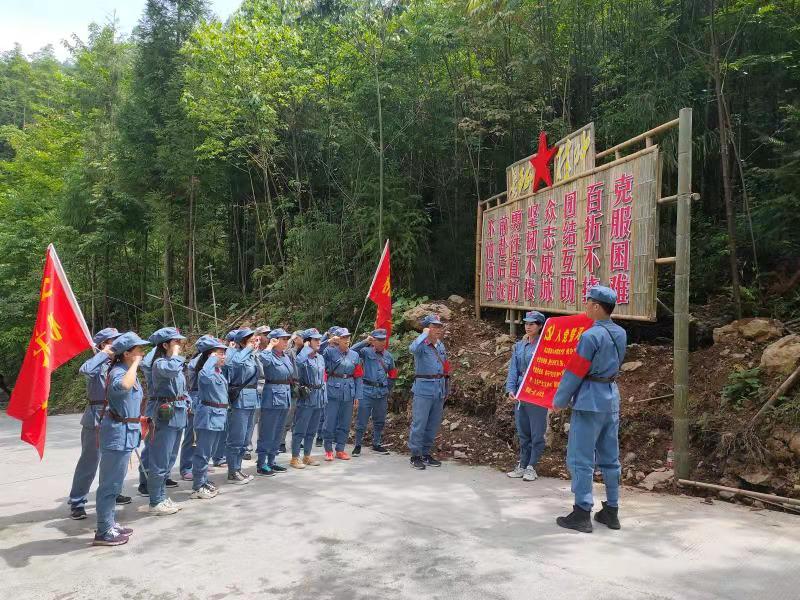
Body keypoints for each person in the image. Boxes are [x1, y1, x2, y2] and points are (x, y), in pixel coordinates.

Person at [553, 285, 627, 533]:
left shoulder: (590, 336)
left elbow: (575, 371)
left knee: (581, 458)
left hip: (589, 400)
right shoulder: (620, 333)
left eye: (588, 302)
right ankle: (611, 511)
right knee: (610, 458)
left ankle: (582, 512)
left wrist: (560, 399)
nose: (585, 306)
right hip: (611, 399)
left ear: (596, 306)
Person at [93, 331, 149, 546]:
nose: (141, 353)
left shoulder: (126, 370)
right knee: (109, 485)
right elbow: (123, 387)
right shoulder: (119, 371)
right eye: (138, 350)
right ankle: (103, 531)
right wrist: (135, 364)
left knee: (115, 484)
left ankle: (109, 523)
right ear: (127, 353)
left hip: (126, 433)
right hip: (117, 434)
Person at [67, 327, 127, 520]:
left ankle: (113, 493)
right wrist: (104, 354)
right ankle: (77, 501)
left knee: (115, 460)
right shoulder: (96, 364)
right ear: (103, 344)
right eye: (113, 341)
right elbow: (84, 370)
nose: (118, 344)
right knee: (89, 462)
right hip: (96, 417)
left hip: (117, 415)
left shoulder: (120, 363)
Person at [147, 327, 189, 515]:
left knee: (170, 458)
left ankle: (162, 496)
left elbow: (183, 387)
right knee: (160, 459)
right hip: (165, 415)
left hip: (178, 413)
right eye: (175, 342)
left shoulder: (175, 364)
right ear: (165, 345)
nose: (179, 344)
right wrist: (176, 355)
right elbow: (171, 371)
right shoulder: (160, 364)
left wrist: (187, 400)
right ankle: (155, 500)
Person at [506, 311, 548, 482]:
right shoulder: (519, 346)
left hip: (537, 392)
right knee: (523, 431)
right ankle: (523, 464)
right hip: (521, 392)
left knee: (537, 432)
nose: (528, 327)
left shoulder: (544, 346)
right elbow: (513, 369)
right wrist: (510, 389)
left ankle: (532, 466)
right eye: (526, 323)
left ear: (540, 326)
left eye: (532, 324)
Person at [408, 315, 450, 470]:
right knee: (419, 423)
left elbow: (445, 369)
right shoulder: (421, 345)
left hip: (438, 389)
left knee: (433, 424)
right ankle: (415, 455)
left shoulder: (440, 346)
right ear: (427, 328)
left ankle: (426, 453)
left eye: (439, 327)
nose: (438, 329)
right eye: (434, 326)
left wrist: (446, 389)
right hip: (423, 389)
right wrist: (424, 335)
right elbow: (412, 349)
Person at [191, 335, 230, 499]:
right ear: (210, 356)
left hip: (218, 415)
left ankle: (203, 480)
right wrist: (211, 359)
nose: (224, 356)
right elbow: (205, 378)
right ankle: (198, 486)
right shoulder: (205, 372)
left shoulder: (217, 372)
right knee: (203, 453)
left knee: (210, 452)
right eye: (220, 353)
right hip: (208, 416)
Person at [351, 329, 397, 456]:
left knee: (380, 419)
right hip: (366, 390)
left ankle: (377, 443)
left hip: (381, 392)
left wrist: (387, 388)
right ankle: (357, 445)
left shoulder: (388, 356)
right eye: (379, 340)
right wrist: (365, 341)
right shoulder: (366, 352)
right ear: (373, 341)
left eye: (384, 340)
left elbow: (393, 373)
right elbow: (352, 351)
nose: (382, 342)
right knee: (362, 420)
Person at [256, 328, 294, 475]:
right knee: (268, 431)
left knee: (278, 431)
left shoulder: (285, 356)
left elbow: (290, 373)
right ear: (275, 340)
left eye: (287, 339)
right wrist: (270, 346)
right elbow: (262, 360)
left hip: (284, 395)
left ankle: (272, 461)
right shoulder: (268, 354)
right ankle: (262, 463)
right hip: (271, 395)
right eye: (283, 339)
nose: (286, 342)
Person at [225, 328, 260, 484]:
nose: (254, 341)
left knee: (245, 439)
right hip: (240, 399)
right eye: (250, 339)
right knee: (237, 437)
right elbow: (235, 363)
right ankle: (232, 472)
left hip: (252, 398)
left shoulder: (251, 355)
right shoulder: (234, 354)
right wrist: (248, 349)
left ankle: (238, 468)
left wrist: (252, 350)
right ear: (242, 341)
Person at [321, 327, 363, 461]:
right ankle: (328, 449)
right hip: (332, 389)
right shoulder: (329, 351)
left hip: (349, 391)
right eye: (343, 337)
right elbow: (318, 352)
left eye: (348, 337)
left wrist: (358, 395)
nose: (347, 340)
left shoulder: (354, 355)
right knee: (330, 421)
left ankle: (340, 449)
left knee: (345, 422)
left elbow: (358, 376)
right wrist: (328, 341)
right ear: (337, 340)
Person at [290, 328, 326, 468]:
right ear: (308, 342)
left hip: (319, 396)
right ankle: (294, 457)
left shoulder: (320, 357)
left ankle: (307, 455)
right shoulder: (302, 357)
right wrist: (305, 349)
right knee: (300, 429)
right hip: (307, 396)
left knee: (312, 429)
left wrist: (324, 396)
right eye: (315, 340)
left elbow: (322, 379)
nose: (319, 342)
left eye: (319, 339)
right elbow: (298, 364)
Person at [211, 329, 239, 468]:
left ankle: (221, 455)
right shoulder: (225, 356)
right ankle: (217, 457)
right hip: (216, 399)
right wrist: (231, 350)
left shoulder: (235, 354)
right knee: (219, 432)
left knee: (226, 429)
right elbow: (228, 364)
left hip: (227, 396)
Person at [281, 330, 304, 453]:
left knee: (299, 415)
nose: (304, 340)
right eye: (302, 337)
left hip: (302, 385)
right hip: (292, 385)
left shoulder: (305, 352)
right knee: (289, 415)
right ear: (295, 339)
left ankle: (296, 440)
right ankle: (281, 441)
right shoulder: (289, 352)